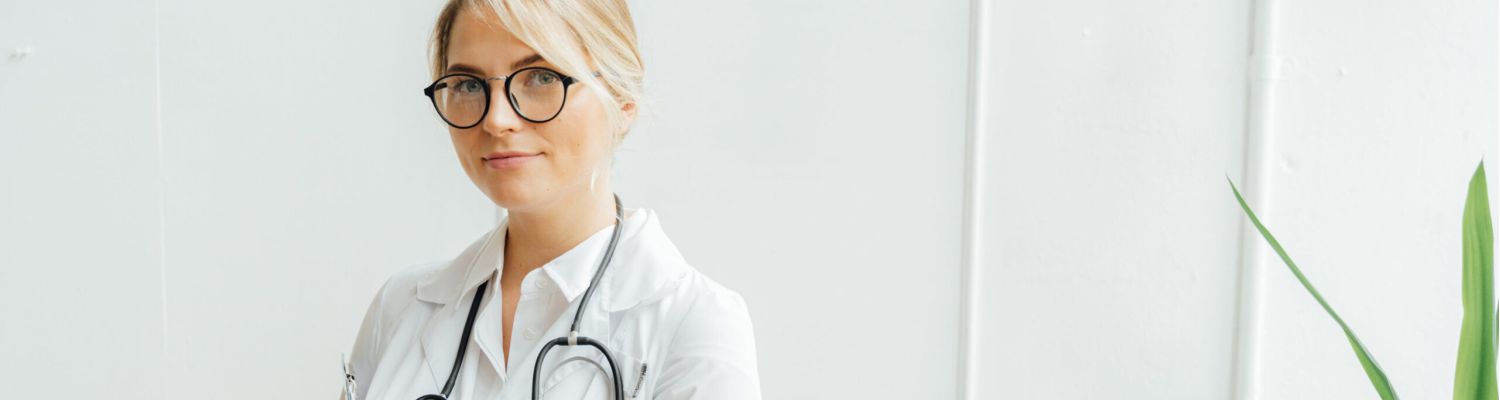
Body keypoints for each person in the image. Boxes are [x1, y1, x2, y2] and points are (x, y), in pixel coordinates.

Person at [344, 1, 762, 398]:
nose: (496, 120)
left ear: (622, 100)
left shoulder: (694, 324)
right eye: (469, 85)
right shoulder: (401, 309)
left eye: (541, 77)